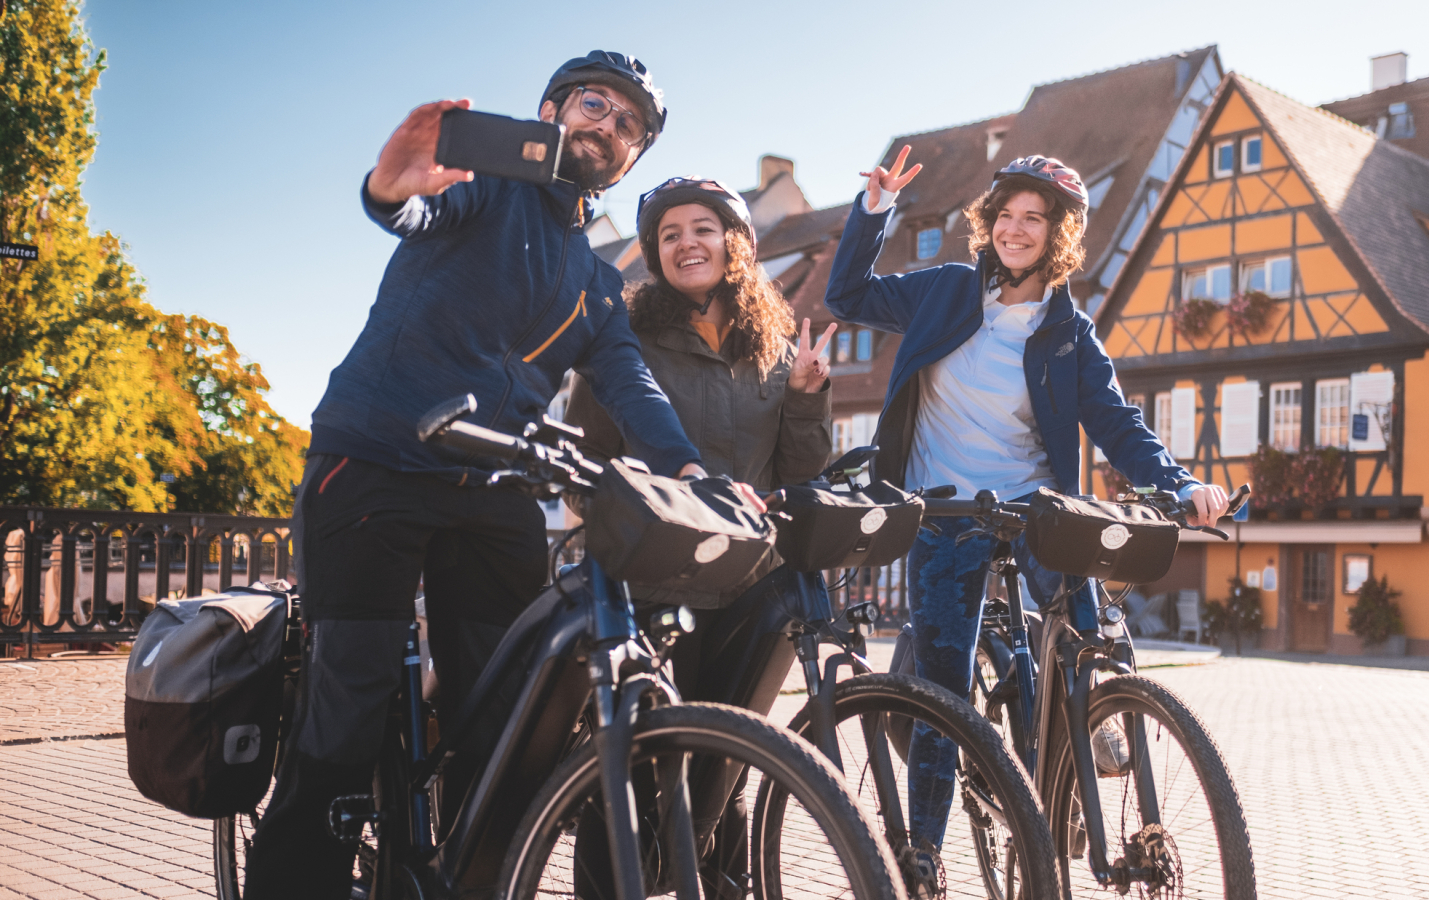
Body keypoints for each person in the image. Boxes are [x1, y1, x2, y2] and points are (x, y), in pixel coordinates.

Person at [245, 52, 730, 899]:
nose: (608, 128)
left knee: (509, 728)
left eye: (629, 127)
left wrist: (694, 472)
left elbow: (631, 383)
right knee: (348, 714)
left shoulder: (598, 283)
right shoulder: (491, 187)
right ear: (551, 110)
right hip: (377, 464)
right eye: (594, 104)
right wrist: (392, 191)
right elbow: (420, 214)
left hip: (495, 487)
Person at [824, 147, 1230, 892]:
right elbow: (847, 294)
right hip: (944, 513)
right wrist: (875, 210)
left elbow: (1115, 422)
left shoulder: (1068, 332)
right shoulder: (946, 291)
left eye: (1032, 220)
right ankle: (923, 853)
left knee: (1091, 624)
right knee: (944, 695)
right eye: (1005, 216)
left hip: (1033, 509)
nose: (1014, 230)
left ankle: (1089, 723)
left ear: (1058, 235)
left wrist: (1179, 482)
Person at [562, 176, 834, 899]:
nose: (688, 243)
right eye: (671, 233)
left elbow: (797, 471)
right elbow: (585, 458)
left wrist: (807, 397)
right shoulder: (629, 338)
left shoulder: (772, 348)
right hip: (651, 582)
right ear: (655, 253)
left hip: (747, 582)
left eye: (703, 229)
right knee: (629, 767)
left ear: (736, 244)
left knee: (731, 761)